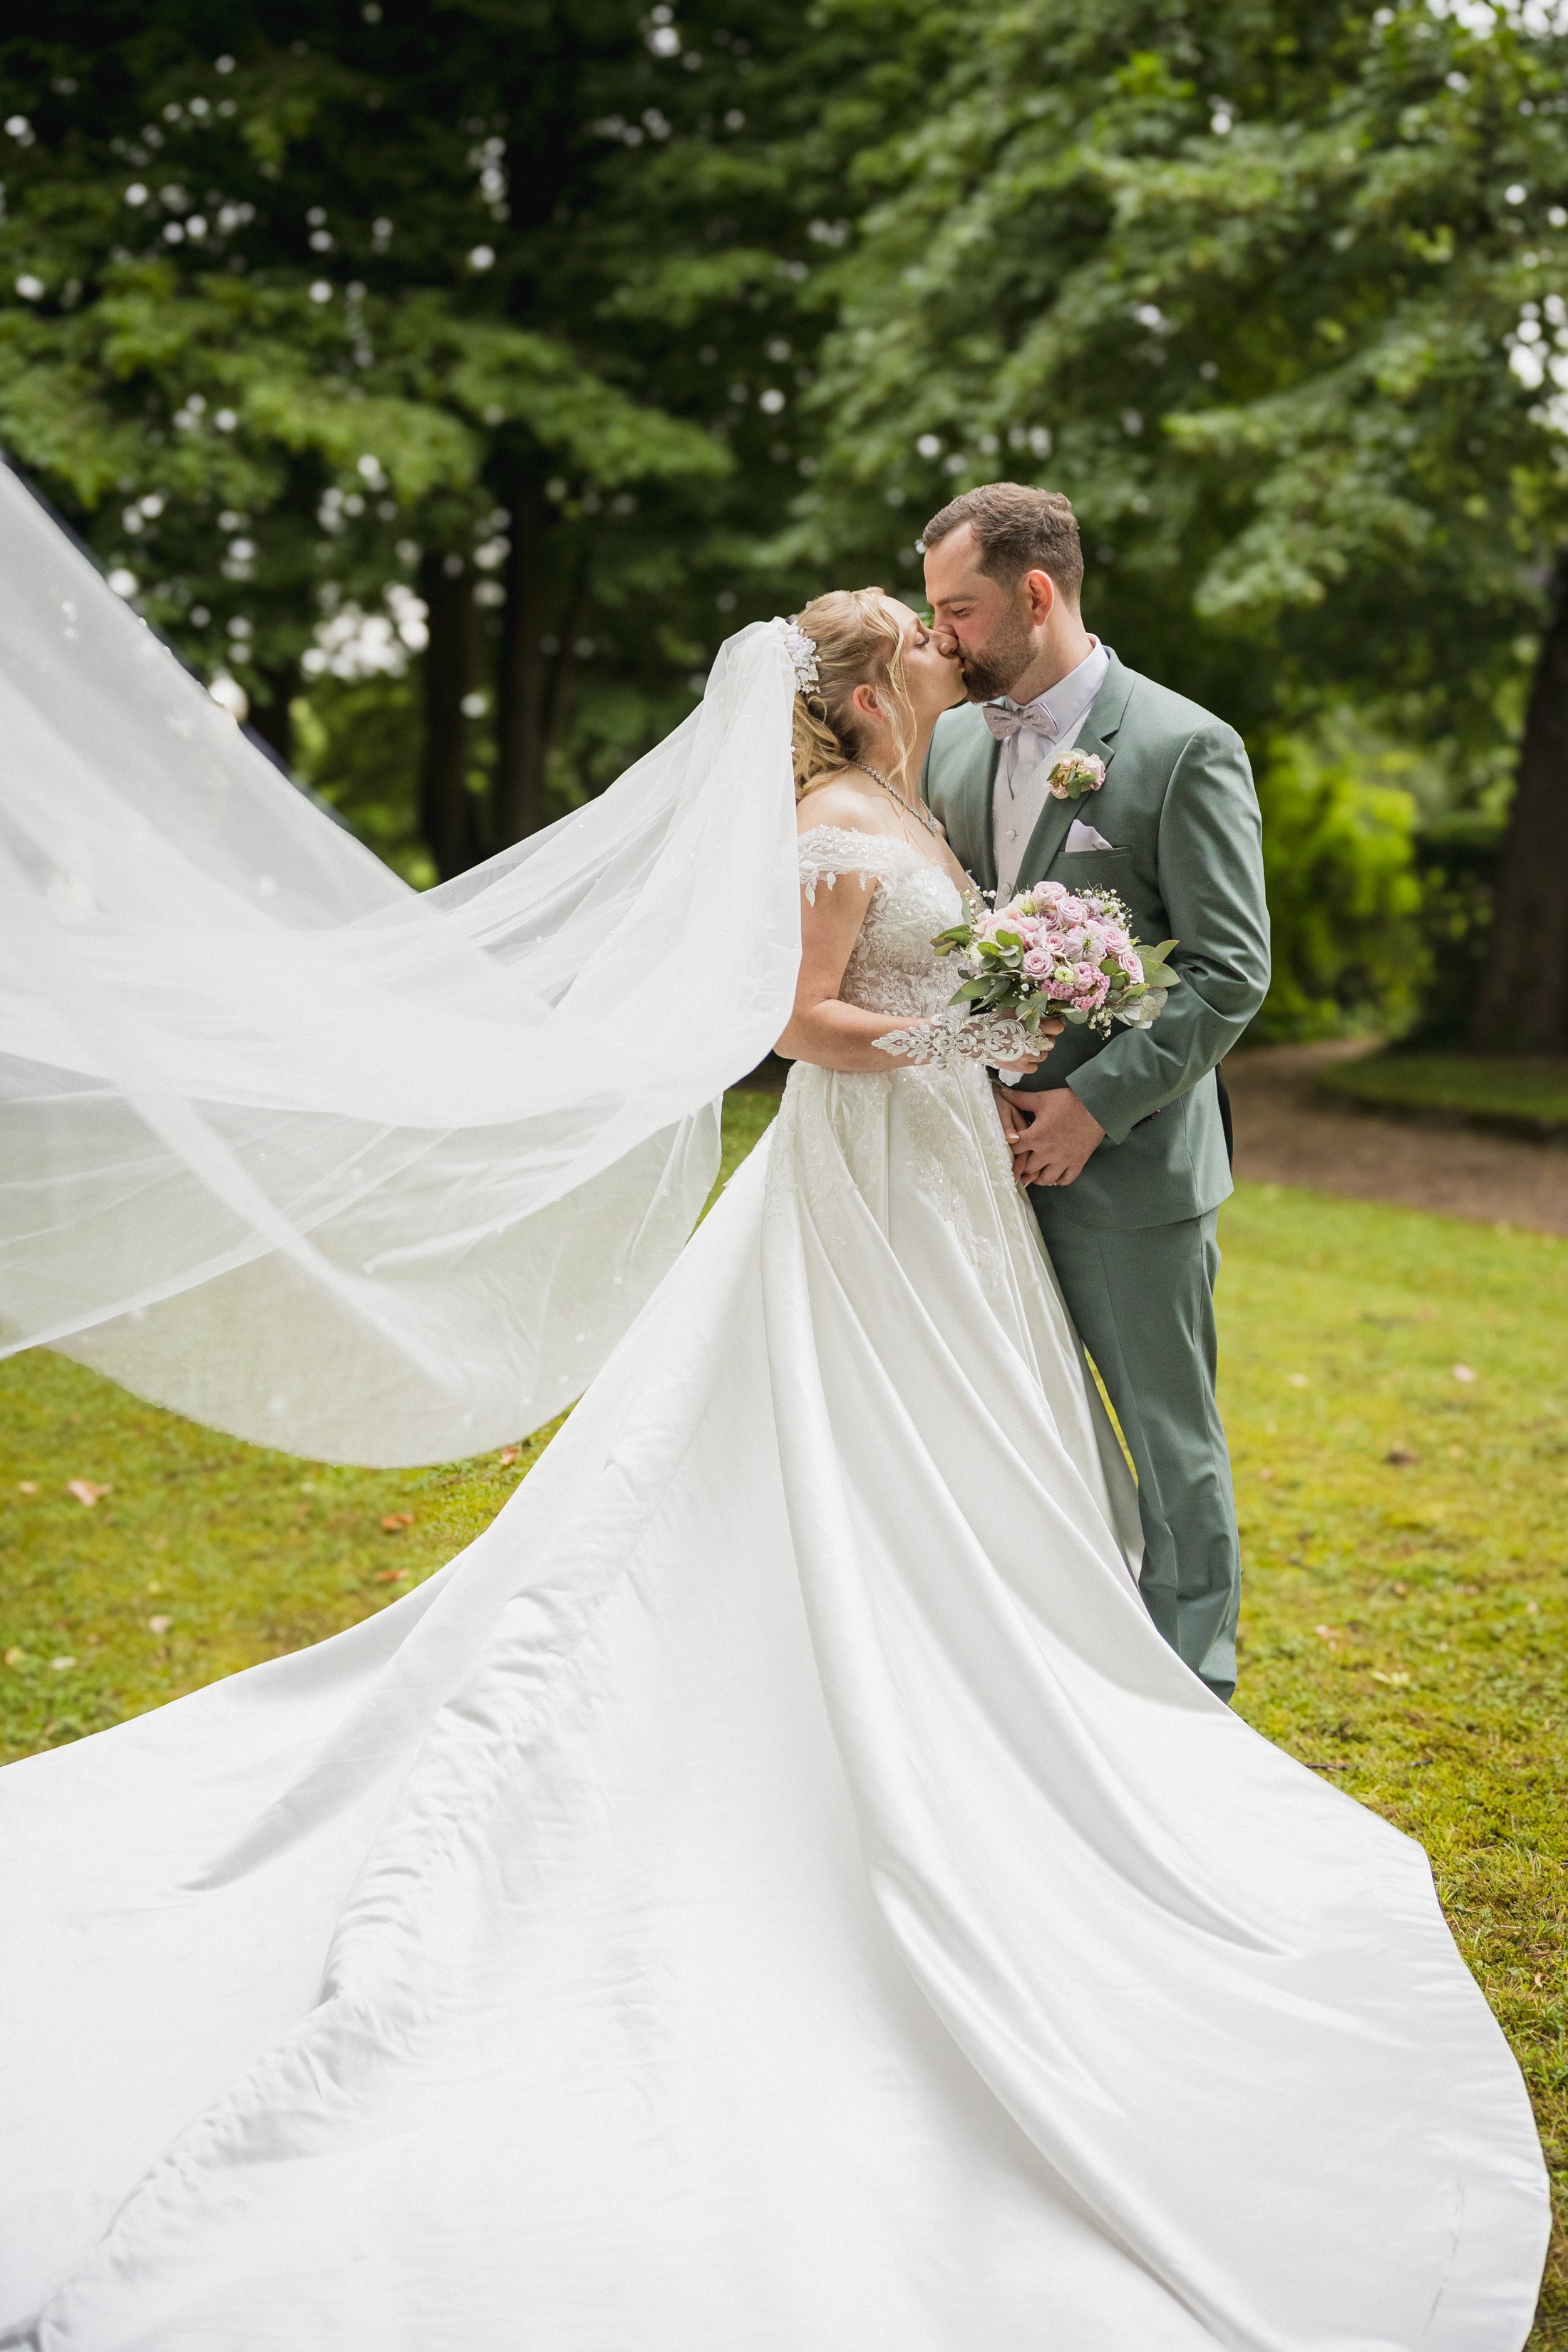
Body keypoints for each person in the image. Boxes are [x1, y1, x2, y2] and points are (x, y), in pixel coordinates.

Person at [0, 555, 1549, 2347]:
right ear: (869, 683)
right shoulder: (835, 818)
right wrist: (958, 1028)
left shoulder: (941, 778)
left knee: (1039, 1426)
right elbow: (794, 1017)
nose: (941, 651)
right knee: (834, 1423)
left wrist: (1014, 1024)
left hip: (963, 1174)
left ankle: (1082, 1660)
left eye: (946, 619)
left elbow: (1164, 948)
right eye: (917, 640)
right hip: (876, 1168)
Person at [923, 484, 1269, 1701]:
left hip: (1127, 1168)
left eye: (959, 609)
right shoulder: (954, 742)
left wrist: (1089, 1107)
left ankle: (1195, 1692)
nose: (943, 638)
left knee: (1168, 1443)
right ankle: (1056, 1673)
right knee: (1019, 1426)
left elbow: (1231, 971)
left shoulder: (1182, 747)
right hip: (973, 1160)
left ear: (1035, 592)